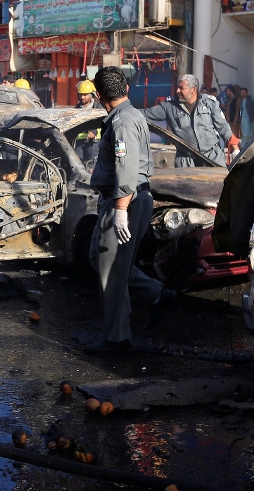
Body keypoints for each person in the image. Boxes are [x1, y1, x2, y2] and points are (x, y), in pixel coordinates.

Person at [85, 66, 172, 353]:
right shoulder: (128, 116)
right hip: (126, 199)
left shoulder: (122, 121)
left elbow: (126, 169)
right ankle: (158, 294)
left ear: (99, 96)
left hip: (126, 201)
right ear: (125, 89)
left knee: (111, 273)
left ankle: (117, 339)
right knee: (102, 261)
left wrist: (121, 208)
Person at [141, 74, 239, 167]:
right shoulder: (169, 107)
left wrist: (236, 149)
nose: (178, 91)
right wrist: (126, 108)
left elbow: (223, 127)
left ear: (193, 90)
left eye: (182, 88)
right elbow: (145, 114)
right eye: (177, 87)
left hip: (212, 157)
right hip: (186, 161)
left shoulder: (209, 103)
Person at [74, 79, 102, 164]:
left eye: (85, 95)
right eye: (81, 95)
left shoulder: (98, 108)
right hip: (79, 144)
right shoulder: (76, 109)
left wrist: (93, 131)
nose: (82, 97)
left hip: (93, 144)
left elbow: (102, 122)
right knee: (77, 166)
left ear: (91, 96)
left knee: (91, 166)